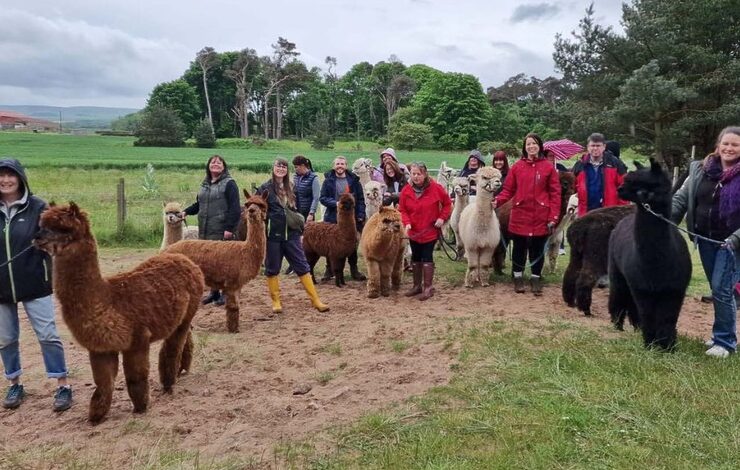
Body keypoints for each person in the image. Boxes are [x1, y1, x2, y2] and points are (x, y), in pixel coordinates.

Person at [0, 158, 72, 412]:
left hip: (35, 282)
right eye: (1, 176)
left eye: (11, 175)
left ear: (20, 178)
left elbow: (59, 236)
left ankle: (62, 384)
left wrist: (47, 243)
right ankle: (14, 382)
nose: (5, 180)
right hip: (1, 288)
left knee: (48, 334)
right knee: (6, 338)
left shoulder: (37, 207)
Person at [672, 126, 740, 358]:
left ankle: (725, 342)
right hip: (705, 238)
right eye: (726, 143)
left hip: (732, 243)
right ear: (718, 145)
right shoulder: (701, 169)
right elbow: (682, 198)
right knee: (719, 288)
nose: (729, 148)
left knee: (721, 289)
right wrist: (664, 219)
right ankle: (721, 333)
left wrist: (735, 238)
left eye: (735, 145)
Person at [259, 158, 329, 314]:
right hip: (273, 235)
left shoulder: (292, 187)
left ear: (287, 170)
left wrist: (300, 226)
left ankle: (316, 300)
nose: (281, 169)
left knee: (302, 265)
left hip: (291, 234)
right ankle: (276, 301)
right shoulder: (265, 188)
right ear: (273, 167)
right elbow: (259, 209)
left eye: (284, 167)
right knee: (272, 268)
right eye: (278, 166)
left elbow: (299, 208)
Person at [494, 133, 561, 296]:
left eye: (534, 143)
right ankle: (517, 277)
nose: (531, 146)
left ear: (540, 146)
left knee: (537, 249)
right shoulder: (517, 167)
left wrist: (553, 217)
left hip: (540, 215)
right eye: (528, 144)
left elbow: (555, 193)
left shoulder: (548, 168)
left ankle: (535, 278)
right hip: (520, 214)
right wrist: (498, 201)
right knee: (519, 248)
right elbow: (508, 189)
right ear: (525, 147)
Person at [182, 155, 241, 305]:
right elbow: (199, 204)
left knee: (223, 264)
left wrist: (229, 228)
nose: (216, 164)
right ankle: (214, 292)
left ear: (224, 166)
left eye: (219, 162)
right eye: (213, 162)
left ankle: (226, 293)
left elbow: (235, 208)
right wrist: (186, 212)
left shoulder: (230, 184)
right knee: (209, 263)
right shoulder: (205, 184)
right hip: (206, 229)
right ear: (208, 166)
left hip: (222, 230)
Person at [399, 161, 452, 301]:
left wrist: (442, 218)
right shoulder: (406, 190)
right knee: (415, 257)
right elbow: (403, 209)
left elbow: (447, 204)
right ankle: (417, 286)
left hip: (430, 231)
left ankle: (428, 287)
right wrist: (407, 223)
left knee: (427, 257)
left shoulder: (436, 188)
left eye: (418, 174)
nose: (416, 177)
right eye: (413, 174)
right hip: (414, 231)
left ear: (425, 174)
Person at [319, 156, 367, 281]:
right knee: (331, 245)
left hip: (350, 219)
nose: (340, 166)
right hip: (333, 217)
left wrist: (361, 214)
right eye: (338, 164)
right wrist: (335, 203)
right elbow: (322, 198)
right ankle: (329, 270)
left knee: (351, 245)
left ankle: (354, 270)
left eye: (342, 164)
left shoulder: (354, 181)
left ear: (346, 166)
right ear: (334, 165)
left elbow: (361, 200)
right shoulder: (328, 180)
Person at [571, 133, 628, 216]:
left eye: (598, 146)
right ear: (588, 147)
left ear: (604, 147)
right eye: (592, 145)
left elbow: (624, 188)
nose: (595, 148)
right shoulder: (580, 164)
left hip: (609, 212)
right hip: (585, 212)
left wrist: (621, 211)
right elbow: (572, 187)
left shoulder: (615, 163)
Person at [286, 155, 320, 275]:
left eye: (296, 167)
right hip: (296, 213)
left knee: (305, 241)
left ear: (302, 166)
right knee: (294, 238)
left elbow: (316, 197)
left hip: (307, 213)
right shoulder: (295, 177)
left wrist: (312, 213)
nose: (295, 169)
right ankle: (293, 264)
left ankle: (304, 264)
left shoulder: (314, 178)